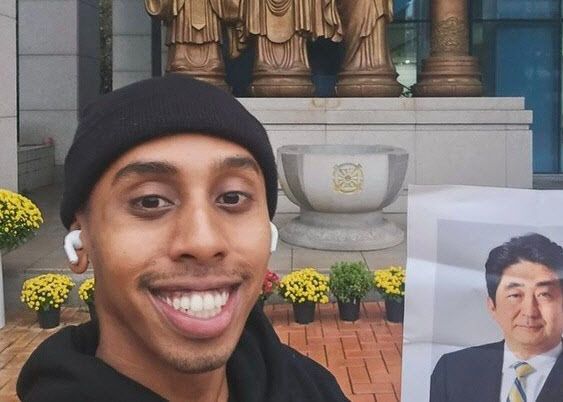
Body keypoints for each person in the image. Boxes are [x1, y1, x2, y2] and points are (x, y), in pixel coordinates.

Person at [16, 74, 349, 402]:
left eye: (232, 197)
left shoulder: (313, 388)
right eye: (150, 201)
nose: (203, 242)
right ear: (81, 240)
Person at [430, 233, 563, 402]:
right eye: (515, 295)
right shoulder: (452, 370)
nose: (530, 311)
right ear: (492, 306)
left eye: (544, 294)